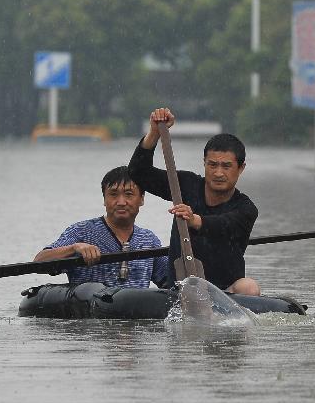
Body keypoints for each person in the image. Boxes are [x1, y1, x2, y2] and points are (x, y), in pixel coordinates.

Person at [128, 107, 261, 295]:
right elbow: (138, 172)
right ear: (204, 163)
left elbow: (223, 225)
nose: (218, 173)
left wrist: (194, 220)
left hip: (225, 294)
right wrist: (154, 133)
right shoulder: (186, 184)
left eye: (226, 166)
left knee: (249, 287)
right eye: (212, 165)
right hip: (180, 289)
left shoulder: (246, 209)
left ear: (241, 168)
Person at [34, 166, 170, 288]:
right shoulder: (82, 231)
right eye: (113, 194)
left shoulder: (148, 240)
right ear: (104, 199)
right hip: (91, 306)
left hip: (135, 306)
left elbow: (173, 280)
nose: (121, 202)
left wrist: (184, 231)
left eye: (129, 194)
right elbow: (39, 261)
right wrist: (74, 248)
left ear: (141, 199)